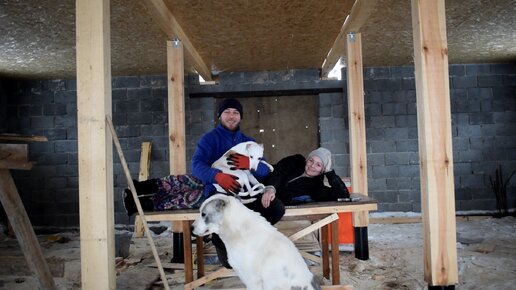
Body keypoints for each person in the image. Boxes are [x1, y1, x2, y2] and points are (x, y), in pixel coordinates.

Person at [191, 98, 285, 269]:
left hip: (246, 193)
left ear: (240, 117)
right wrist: (217, 176)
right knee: (224, 221)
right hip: (220, 192)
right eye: (227, 112)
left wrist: (250, 164)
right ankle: (223, 247)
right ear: (220, 116)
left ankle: (250, 242)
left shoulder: (249, 142)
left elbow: (265, 171)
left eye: (235, 112)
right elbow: (196, 166)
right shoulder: (209, 139)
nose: (231, 116)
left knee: (276, 208)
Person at [260, 147, 351, 208]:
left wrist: (329, 171)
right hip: (259, 181)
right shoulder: (296, 160)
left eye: (318, 165)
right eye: (311, 160)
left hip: (265, 202)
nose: (312, 166)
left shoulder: (316, 188)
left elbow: (344, 196)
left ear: (322, 171)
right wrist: (270, 188)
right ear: (307, 160)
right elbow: (278, 171)